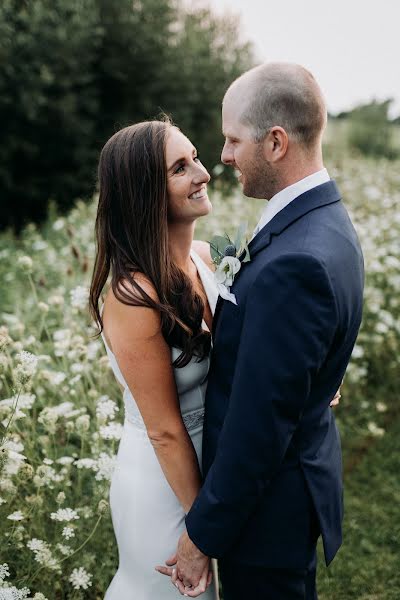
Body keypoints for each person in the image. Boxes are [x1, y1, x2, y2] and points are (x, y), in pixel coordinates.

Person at [160, 63, 364, 600]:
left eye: (232, 140)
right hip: (292, 488)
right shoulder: (323, 222)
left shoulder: (296, 261)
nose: (223, 156)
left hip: (267, 513)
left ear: (275, 142)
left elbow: (259, 427)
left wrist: (201, 536)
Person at [89, 119, 220, 599]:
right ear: (146, 193)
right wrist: (206, 527)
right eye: (180, 168)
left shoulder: (207, 259)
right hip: (163, 482)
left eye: (197, 157)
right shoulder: (132, 297)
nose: (202, 173)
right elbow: (165, 431)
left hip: (213, 470)